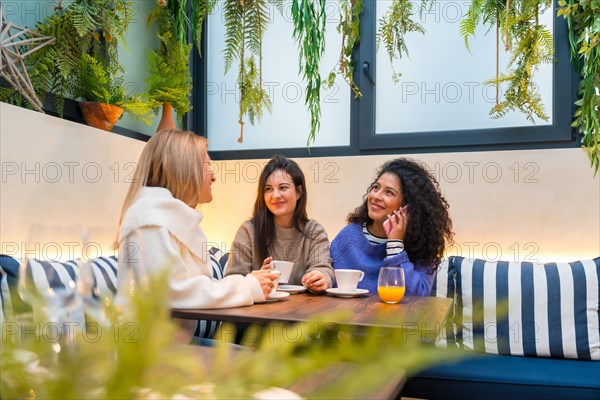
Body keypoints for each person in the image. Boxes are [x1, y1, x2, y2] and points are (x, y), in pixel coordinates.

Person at [116, 129, 276, 341]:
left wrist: (251, 284)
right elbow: (171, 292)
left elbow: (191, 289)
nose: (214, 176)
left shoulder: (172, 220)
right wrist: (249, 286)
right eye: (208, 165)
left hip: (173, 345)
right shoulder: (150, 220)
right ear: (184, 168)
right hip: (147, 355)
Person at [330, 158, 453, 296]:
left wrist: (395, 246)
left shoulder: (422, 246)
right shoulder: (348, 237)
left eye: (389, 192)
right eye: (376, 187)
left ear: (408, 207)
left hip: (396, 318)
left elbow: (418, 297)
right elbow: (327, 280)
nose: (375, 196)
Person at [225, 155, 334, 293]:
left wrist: (319, 278)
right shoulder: (248, 230)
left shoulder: (314, 231)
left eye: (283, 188)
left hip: (303, 311)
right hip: (258, 311)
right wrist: (255, 279)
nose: (275, 195)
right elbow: (232, 280)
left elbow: (323, 268)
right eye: (268, 189)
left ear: (299, 192)